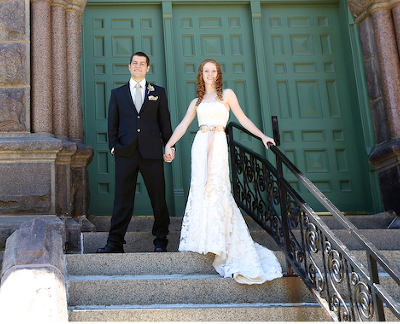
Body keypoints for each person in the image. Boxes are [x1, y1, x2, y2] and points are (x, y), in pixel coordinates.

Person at [164, 59, 283, 284]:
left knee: (217, 186)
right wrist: (169, 144)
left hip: (217, 143)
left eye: (214, 71)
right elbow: (182, 125)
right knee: (200, 187)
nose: (210, 74)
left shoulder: (227, 95)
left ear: (218, 74)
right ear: (201, 75)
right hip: (200, 145)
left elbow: (243, 118)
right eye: (206, 71)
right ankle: (203, 238)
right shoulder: (196, 101)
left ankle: (220, 238)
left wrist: (263, 136)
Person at [97, 52, 175, 253]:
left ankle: (160, 241)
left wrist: (170, 145)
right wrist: (113, 146)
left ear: (148, 68)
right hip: (126, 152)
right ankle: (115, 243)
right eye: (135, 63)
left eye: (142, 64)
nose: (138, 66)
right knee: (122, 200)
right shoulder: (117, 94)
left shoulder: (158, 92)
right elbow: (112, 124)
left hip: (152, 153)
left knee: (158, 198)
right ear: (129, 66)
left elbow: (165, 123)